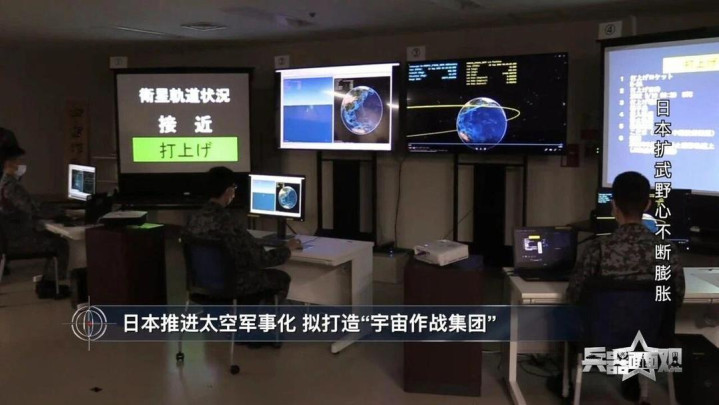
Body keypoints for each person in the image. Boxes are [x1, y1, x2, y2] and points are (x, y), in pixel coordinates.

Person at [564, 171, 685, 404]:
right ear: (648, 205)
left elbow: (575, 296)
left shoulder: (598, 249)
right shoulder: (666, 250)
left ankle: (568, 386)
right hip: (653, 343)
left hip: (598, 345)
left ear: (614, 206)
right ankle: (634, 379)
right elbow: (675, 299)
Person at [183, 166, 300, 303]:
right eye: (234, 188)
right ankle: (259, 316)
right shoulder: (228, 223)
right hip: (233, 287)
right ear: (228, 191)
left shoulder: (193, 219)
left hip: (201, 286)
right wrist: (287, 249)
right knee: (281, 278)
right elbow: (261, 259)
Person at [0, 139, 69, 285]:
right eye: (18, 160)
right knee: (60, 243)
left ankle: (51, 279)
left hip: (11, 235)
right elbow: (32, 209)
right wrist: (62, 212)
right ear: (9, 163)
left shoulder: (5, 183)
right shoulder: (11, 186)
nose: (20, 164)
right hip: (17, 238)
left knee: (53, 234)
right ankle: (53, 283)